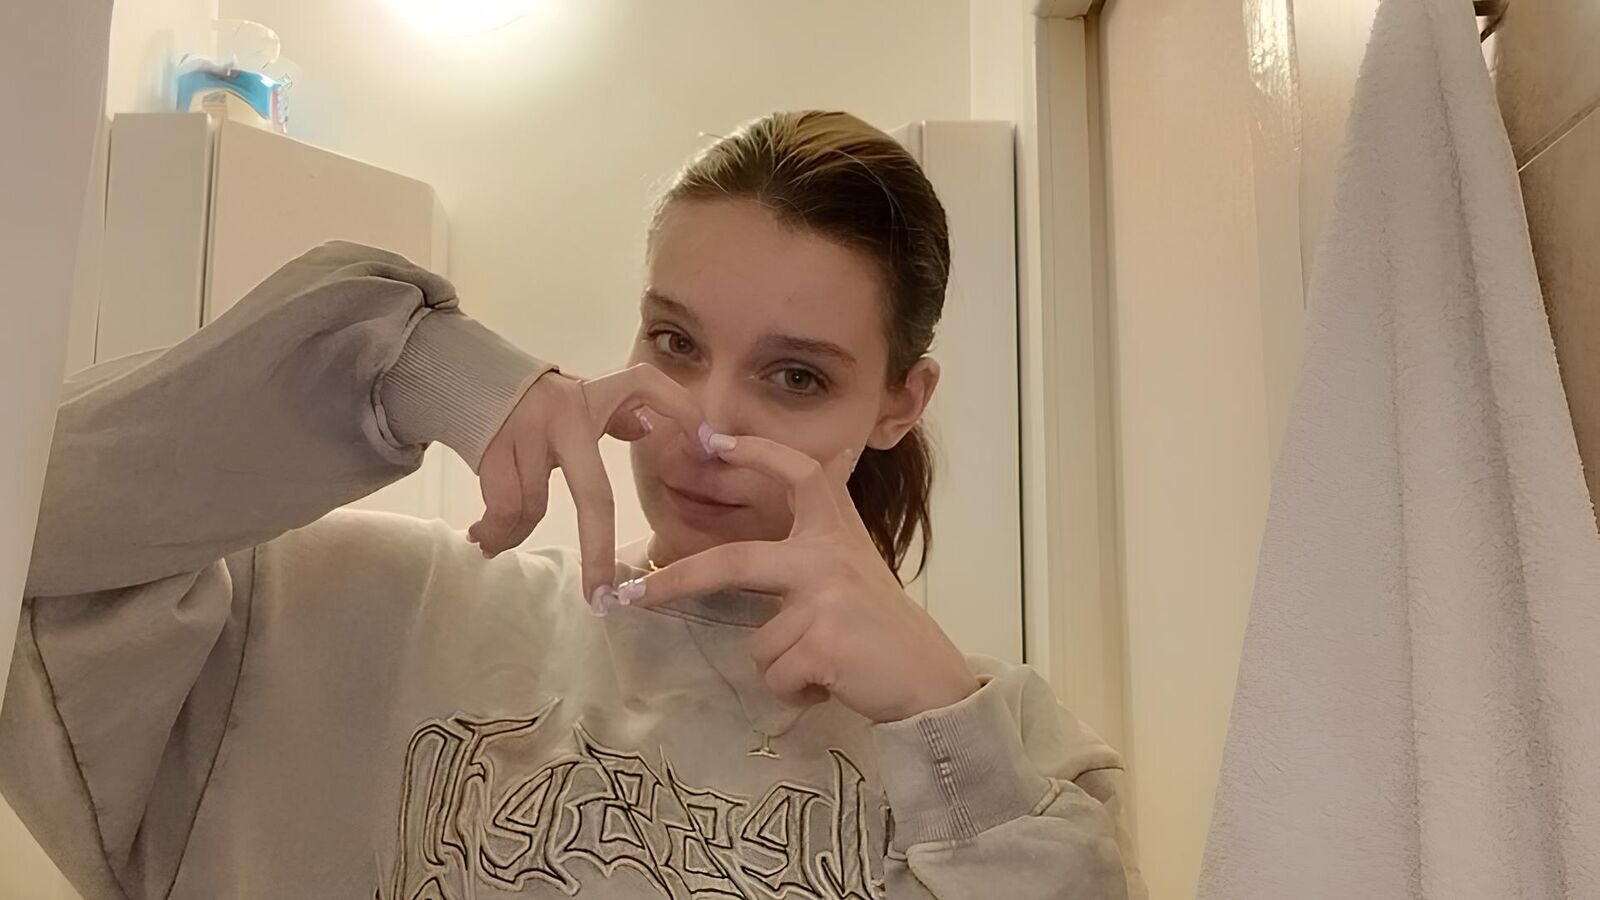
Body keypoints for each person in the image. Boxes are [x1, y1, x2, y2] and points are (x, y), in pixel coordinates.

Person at [0, 111, 1144, 899]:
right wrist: (397, 363)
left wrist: (943, 721)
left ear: (899, 402)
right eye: (674, 342)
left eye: (795, 376)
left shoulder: (1014, 755)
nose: (706, 423)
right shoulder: (355, 607)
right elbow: (28, 530)